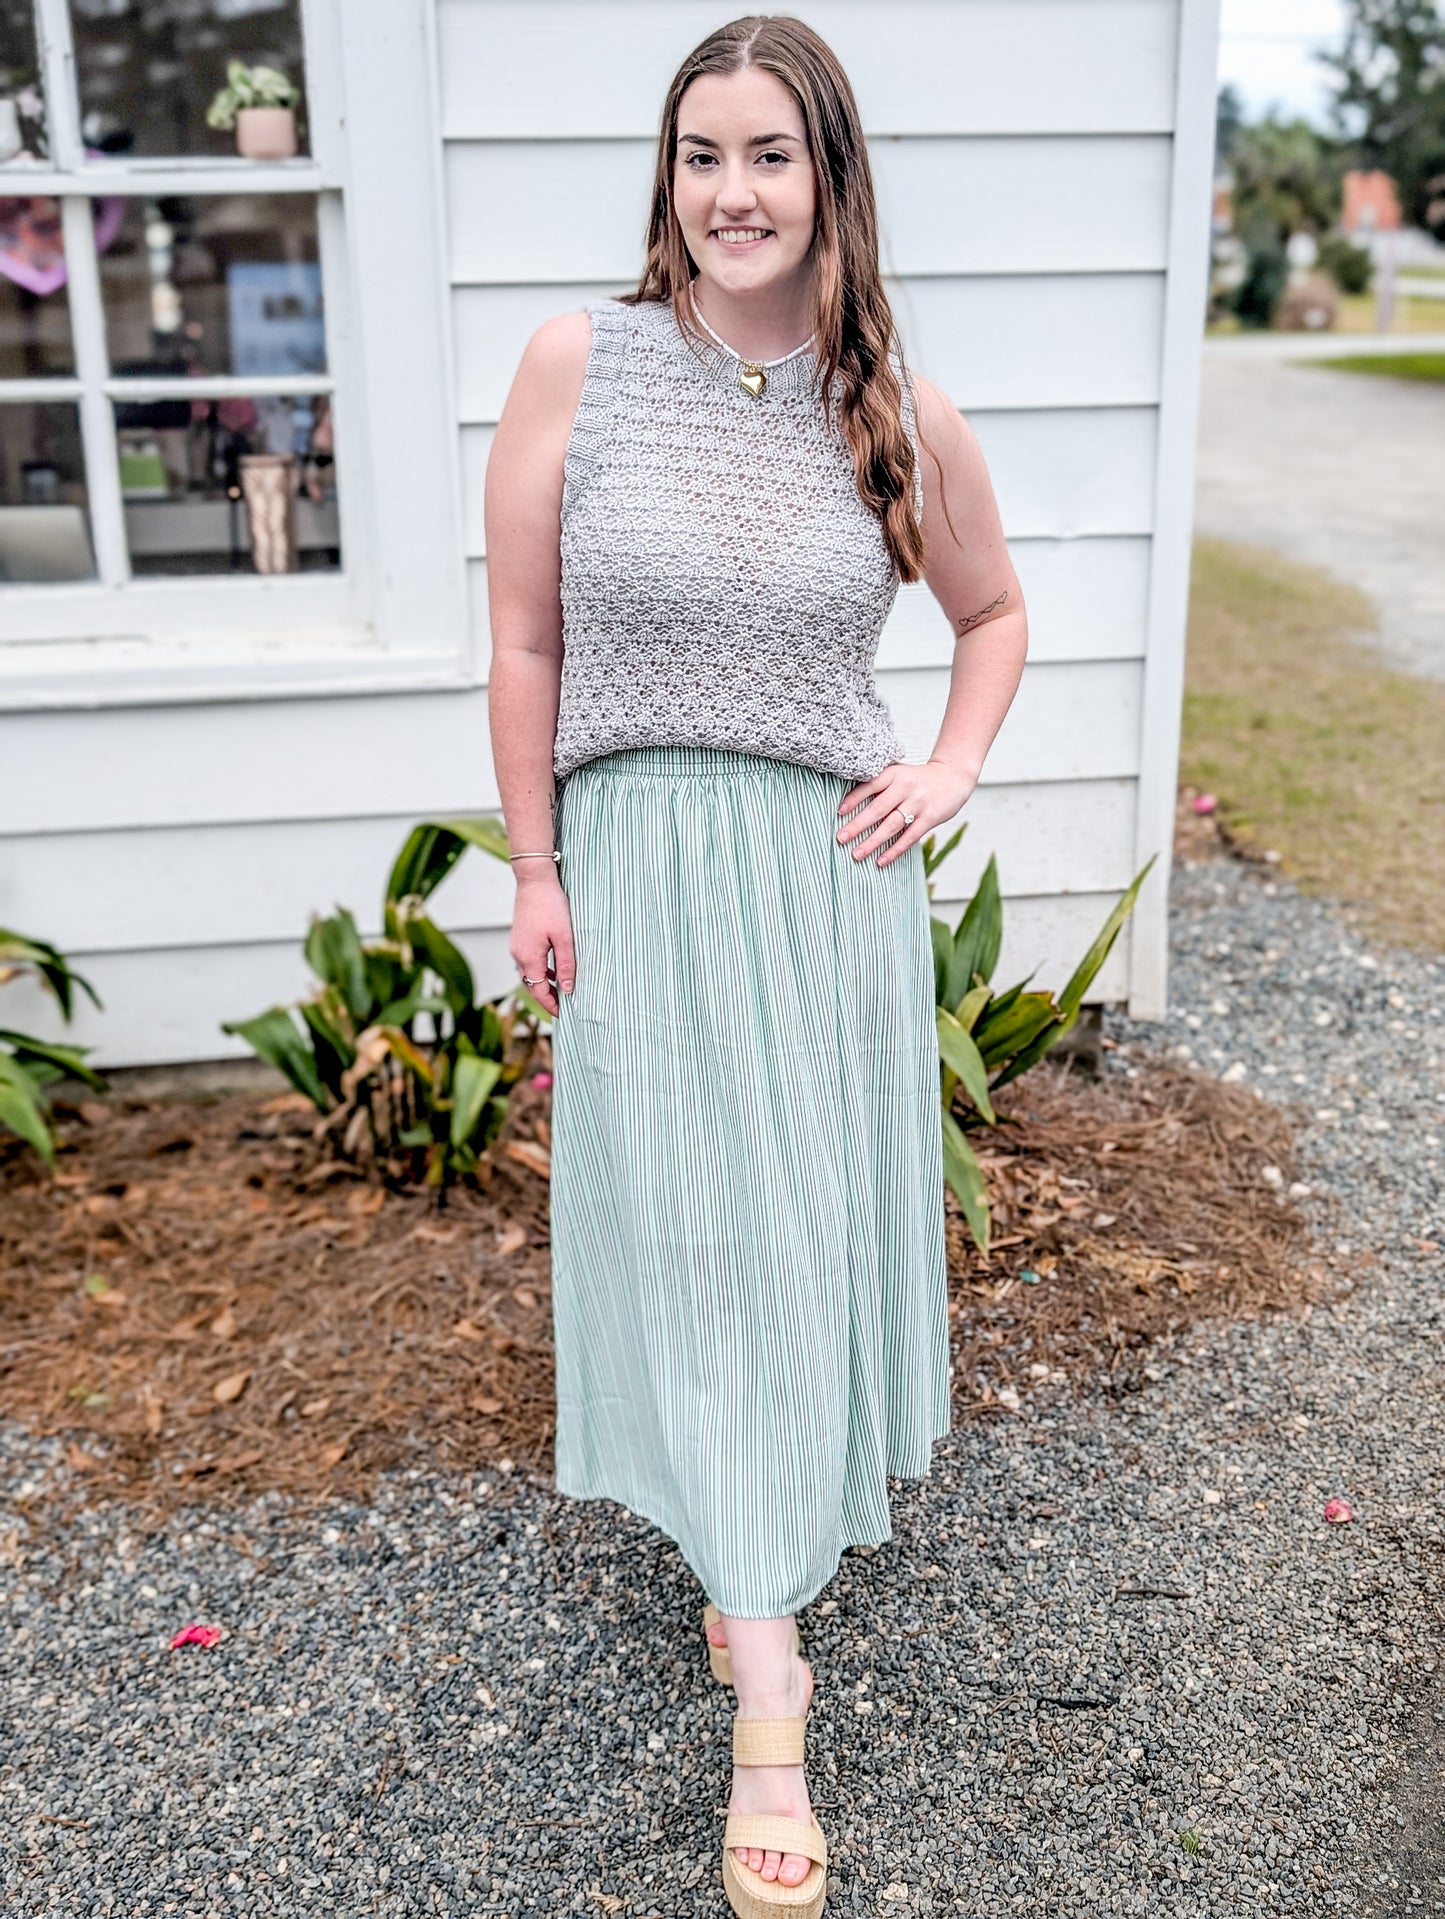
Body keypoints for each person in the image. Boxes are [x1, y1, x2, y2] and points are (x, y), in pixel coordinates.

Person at [485, 16, 1027, 1913]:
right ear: (670, 176)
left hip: (815, 876)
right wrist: (537, 870)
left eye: (770, 156)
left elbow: (992, 610)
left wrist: (947, 768)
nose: (732, 192)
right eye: (701, 154)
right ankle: (757, 1628)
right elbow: (530, 648)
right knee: (680, 1225)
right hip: (633, 863)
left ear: (829, 181)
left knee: (789, 1230)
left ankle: (762, 1638)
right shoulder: (582, 364)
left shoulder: (890, 404)